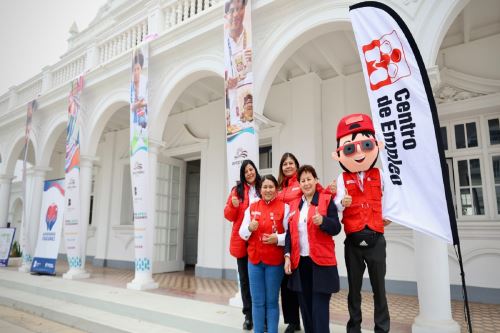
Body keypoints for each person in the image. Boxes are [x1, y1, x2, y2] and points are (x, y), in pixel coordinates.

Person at [332, 113, 391, 333]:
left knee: (380, 289)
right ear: (340, 152)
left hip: (376, 239)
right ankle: (353, 328)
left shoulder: (380, 174)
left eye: (365, 145)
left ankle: (382, 329)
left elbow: (392, 200)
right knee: (354, 290)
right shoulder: (341, 179)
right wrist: (341, 202)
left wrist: (391, 216)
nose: (358, 153)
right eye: (349, 148)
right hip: (353, 241)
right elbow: (335, 205)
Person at [284, 165, 341, 333]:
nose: (306, 183)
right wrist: (287, 255)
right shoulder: (295, 205)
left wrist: (323, 222)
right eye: (303, 180)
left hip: (321, 263)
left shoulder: (325, 199)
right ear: (299, 184)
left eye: (309, 179)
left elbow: (336, 227)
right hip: (300, 263)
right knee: (306, 308)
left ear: (316, 180)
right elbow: (290, 233)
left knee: (319, 308)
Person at [239, 175, 288, 333]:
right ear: (260, 189)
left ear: (276, 189)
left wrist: (278, 238)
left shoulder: (284, 207)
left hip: (275, 262)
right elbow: (242, 233)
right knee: (257, 301)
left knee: (271, 301)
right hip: (254, 261)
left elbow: (291, 235)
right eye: (265, 187)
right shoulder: (252, 207)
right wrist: (249, 228)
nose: (268, 190)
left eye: (271, 187)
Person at [224, 159, 262, 330]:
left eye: (251, 169)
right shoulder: (237, 190)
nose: (249, 173)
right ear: (243, 174)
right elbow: (228, 215)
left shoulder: (264, 186)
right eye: (246, 171)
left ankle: (261, 315)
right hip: (243, 241)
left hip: (261, 239)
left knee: (260, 280)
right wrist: (233, 206)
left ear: (255, 170)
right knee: (245, 281)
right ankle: (248, 315)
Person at [224, 0, 253, 133]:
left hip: (248, 96)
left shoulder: (251, 36)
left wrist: (253, 61)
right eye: (231, 11)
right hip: (232, 106)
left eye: (239, 9)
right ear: (226, 16)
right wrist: (226, 82)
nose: (235, 14)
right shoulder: (224, 44)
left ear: (244, 10)